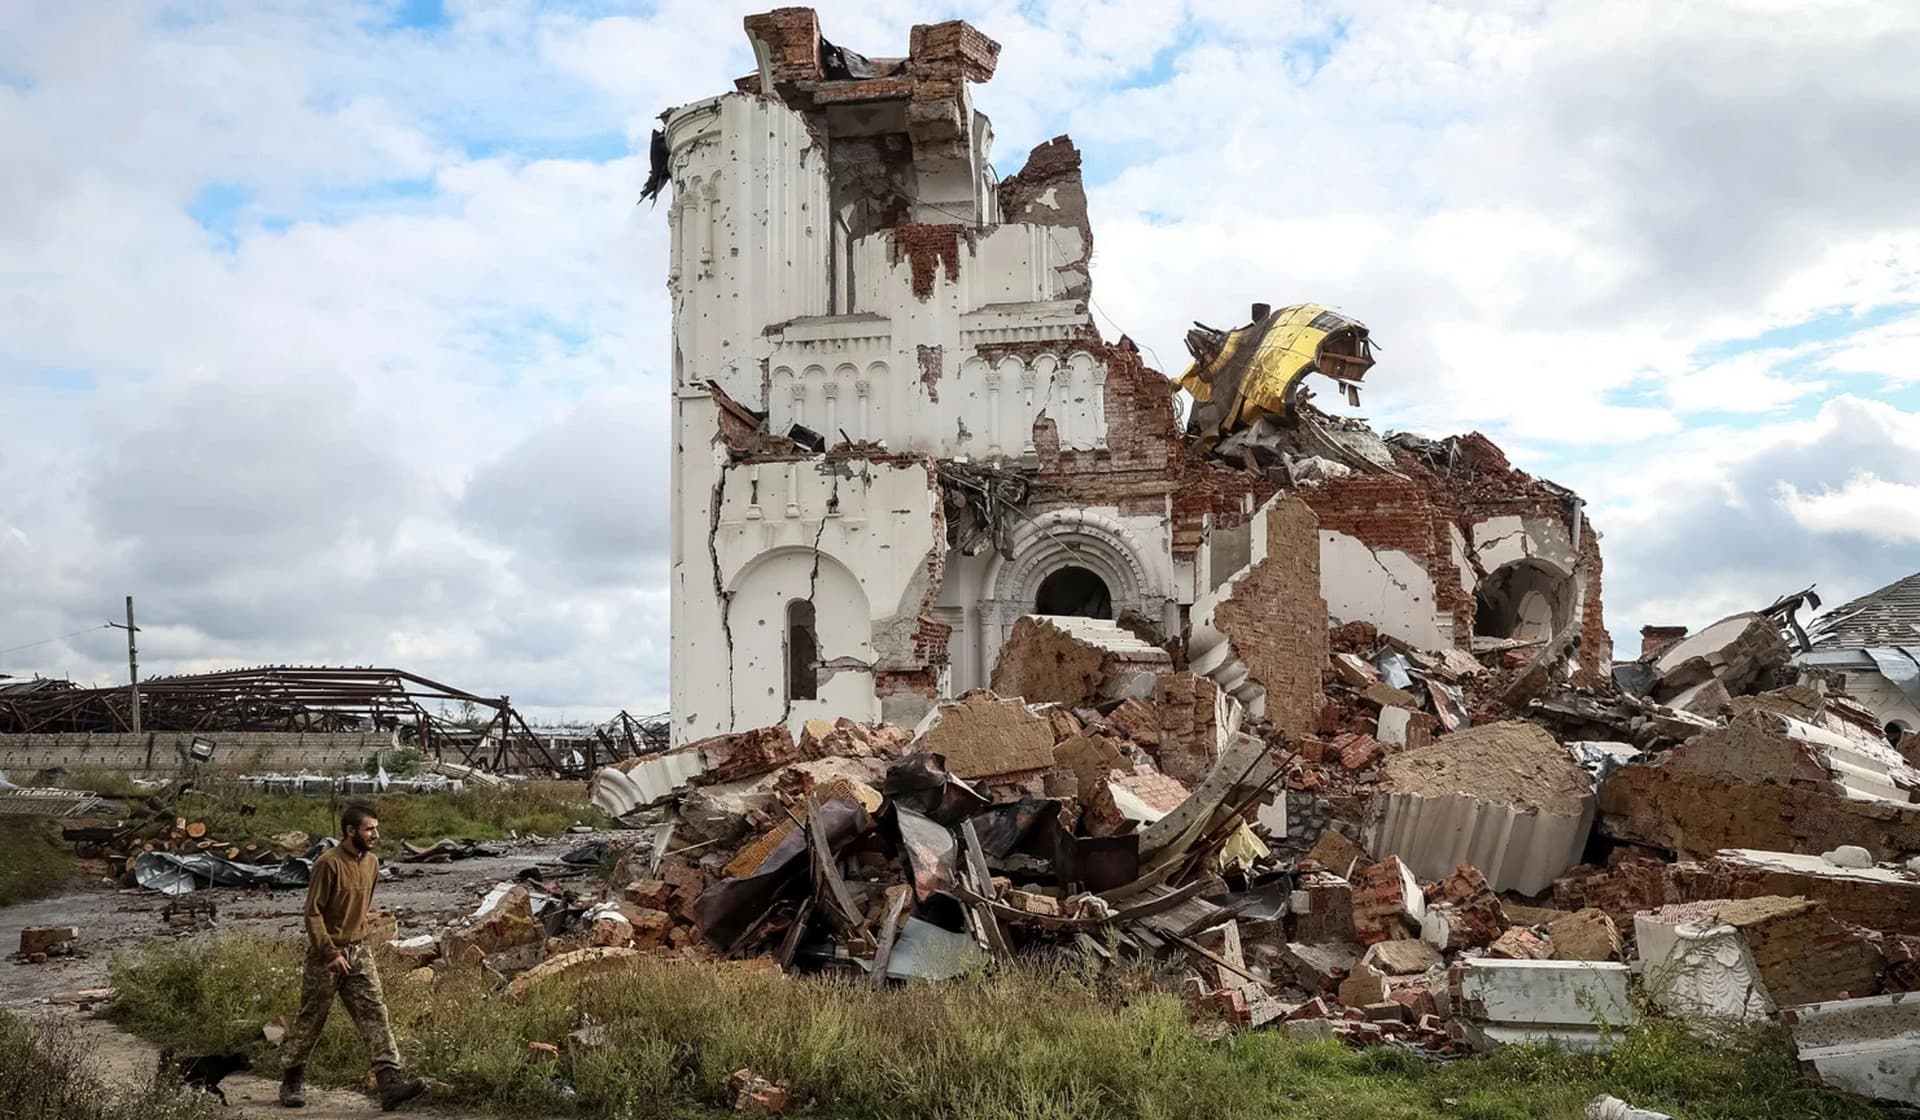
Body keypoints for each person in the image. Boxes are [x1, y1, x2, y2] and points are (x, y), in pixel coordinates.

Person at [279, 803, 427, 1111]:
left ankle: (390, 1085)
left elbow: (361, 905)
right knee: (312, 1017)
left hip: (360, 950)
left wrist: (360, 934)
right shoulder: (327, 863)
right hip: (327, 955)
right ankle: (291, 1080)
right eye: (369, 828)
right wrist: (330, 951)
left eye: (375, 828)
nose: (375, 834)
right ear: (349, 831)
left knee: (375, 1012)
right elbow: (313, 912)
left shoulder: (372, 863)